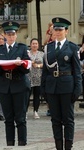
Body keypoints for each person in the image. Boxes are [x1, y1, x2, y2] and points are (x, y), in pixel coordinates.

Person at [41, 17, 82, 150]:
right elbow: (46, 71)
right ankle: (58, 146)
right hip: (52, 87)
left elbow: (77, 70)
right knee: (55, 120)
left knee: (68, 120)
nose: (58, 32)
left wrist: (77, 89)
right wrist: (43, 89)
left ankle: (68, 147)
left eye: (60, 30)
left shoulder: (72, 47)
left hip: (67, 86)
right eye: (55, 30)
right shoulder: (48, 48)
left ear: (66, 31)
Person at [0, 21, 30, 146]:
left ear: (16, 35)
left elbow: (27, 69)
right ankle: (10, 144)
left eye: (13, 34)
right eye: (8, 34)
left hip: (19, 84)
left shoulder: (22, 48)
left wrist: (19, 65)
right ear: (4, 35)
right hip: (5, 86)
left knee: (20, 118)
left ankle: (22, 143)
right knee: (8, 119)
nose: (10, 36)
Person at [27, 38, 44, 119]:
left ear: (38, 45)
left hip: (38, 77)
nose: (34, 45)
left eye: (36, 43)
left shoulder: (42, 54)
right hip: (28, 77)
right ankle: (25, 112)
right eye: (33, 43)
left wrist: (38, 65)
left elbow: (45, 64)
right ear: (30, 45)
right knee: (27, 95)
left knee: (37, 95)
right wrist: (31, 63)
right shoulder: (27, 53)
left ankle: (35, 111)